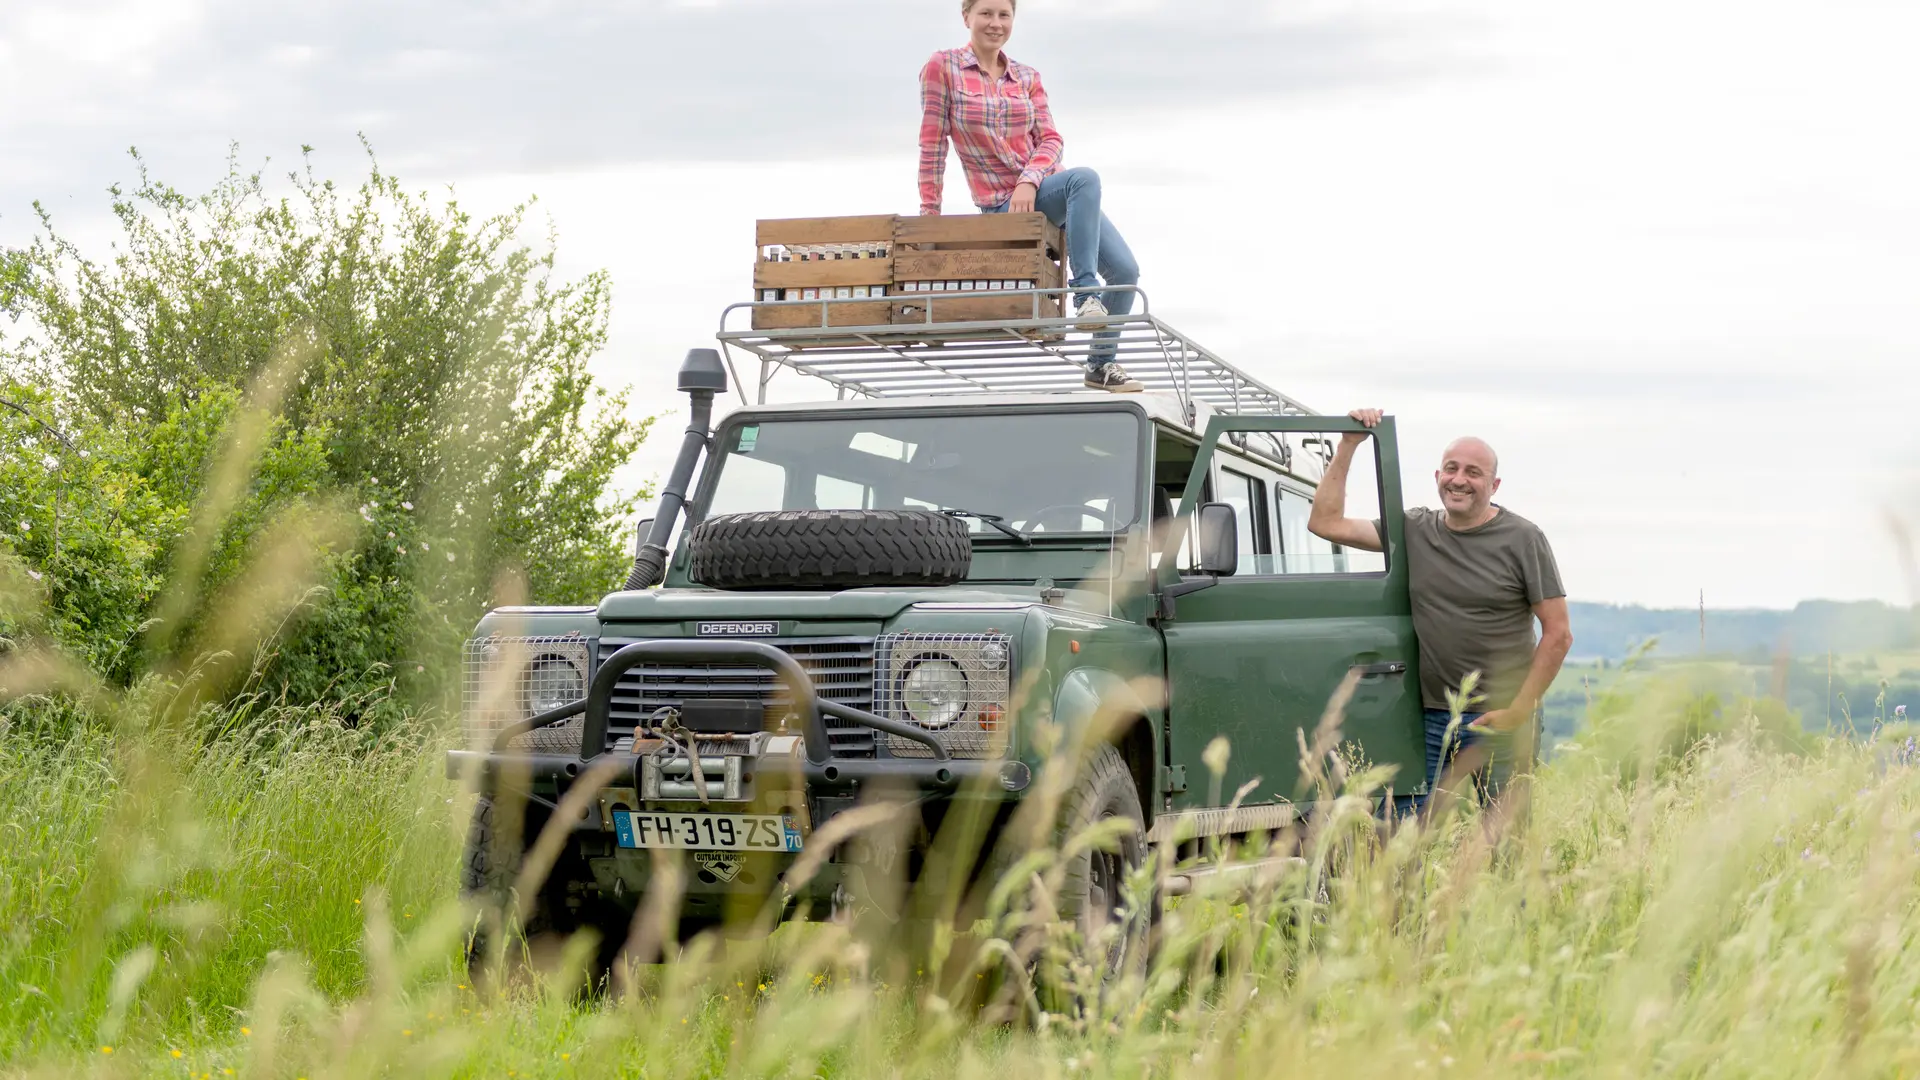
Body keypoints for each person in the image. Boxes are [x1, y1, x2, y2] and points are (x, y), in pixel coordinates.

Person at [1307, 409, 1573, 814]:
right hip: (1432, 718)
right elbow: (1326, 523)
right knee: (1401, 833)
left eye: (1473, 472)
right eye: (1451, 469)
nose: (1460, 480)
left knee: (1505, 842)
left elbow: (1558, 632)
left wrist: (1520, 709)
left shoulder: (1523, 539)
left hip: (1502, 719)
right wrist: (1348, 444)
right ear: (1437, 477)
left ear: (1494, 484)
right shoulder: (1414, 529)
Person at [917, 0, 1145, 393]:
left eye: (1004, 15)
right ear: (966, 16)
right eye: (986, 13)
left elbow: (1051, 139)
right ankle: (1085, 294)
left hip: (1044, 190)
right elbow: (932, 145)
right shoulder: (944, 67)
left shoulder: (1026, 76)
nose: (995, 23)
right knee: (1084, 179)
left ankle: (1100, 364)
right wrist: (929, 212)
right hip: (1001, 206)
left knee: (1125, 273)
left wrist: (1030, 179)